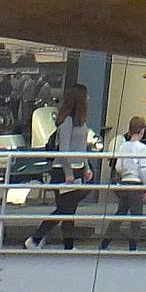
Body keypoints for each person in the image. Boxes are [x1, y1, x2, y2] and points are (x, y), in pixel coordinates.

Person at [26, 85, 94, 250]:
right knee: (65, 209)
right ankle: (35, 239)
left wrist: (86, 167)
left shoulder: (81, 122)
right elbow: (64, 148)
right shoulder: (67, 121)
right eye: (86, 96)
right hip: (63, 170)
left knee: (69, 211)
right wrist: (69, 172)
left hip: (77, 168)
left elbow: (81, 147)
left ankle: (67, 246)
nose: (88, 99)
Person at [98, 115, 146, 251]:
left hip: (125, 183)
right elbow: (142, 169)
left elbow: (118, 167)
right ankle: (133, 246)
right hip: (136, 184)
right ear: (142, 131)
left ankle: (105, 242)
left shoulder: (123, 147)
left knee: (120, 214)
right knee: (136, 217)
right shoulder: (142, 148)